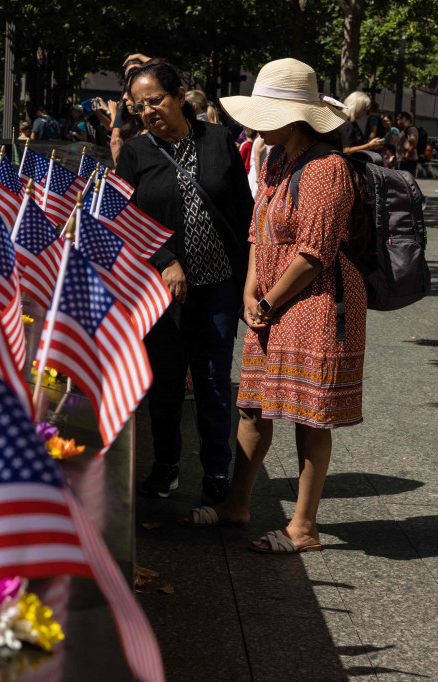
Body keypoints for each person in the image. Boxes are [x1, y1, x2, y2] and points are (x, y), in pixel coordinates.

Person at [184, 58, 366, 556]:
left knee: (311, 416)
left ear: (296, 115)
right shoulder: (275, 158)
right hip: (272, 300)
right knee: (253, 406)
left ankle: (303, 527)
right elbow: (256, 233)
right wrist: (250, 291)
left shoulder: (328, 168)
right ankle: (236, 504)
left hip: (316, 303)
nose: (256, 119)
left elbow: (315, 253)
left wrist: (264, 297)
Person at [114, 61, 253, 503]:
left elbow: (243, 212)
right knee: (167, 382)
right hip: (162, 293)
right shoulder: (136, 153)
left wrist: (252, 278)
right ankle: (166, 467)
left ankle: (216, 472)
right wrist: (165, 259)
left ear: (178, 96)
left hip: (218, 286)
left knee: (213, 382)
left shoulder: (219, 141)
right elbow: (121, 217)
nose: (149, 111)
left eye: (156, 100)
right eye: (140, 106)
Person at [395, 111, 419, 176]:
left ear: (404, 118)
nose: (397, 121)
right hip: (404, 160)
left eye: (399, 119)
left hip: (408, 160)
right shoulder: (404, 130)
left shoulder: (411, 129)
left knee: (406, 181)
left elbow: (413, 142)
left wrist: (406, 155)